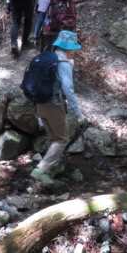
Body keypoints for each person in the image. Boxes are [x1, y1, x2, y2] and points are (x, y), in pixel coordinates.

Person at [30, 30, 85, 187]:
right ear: (69, 48)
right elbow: (68, 89)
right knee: (62, 139)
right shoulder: (63, 63)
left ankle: (49, 171)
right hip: (53, 104)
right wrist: (77, 112)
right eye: (73, 47)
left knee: (53, 136)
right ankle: (41, 170)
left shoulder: (48, 57)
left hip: (39, 103)